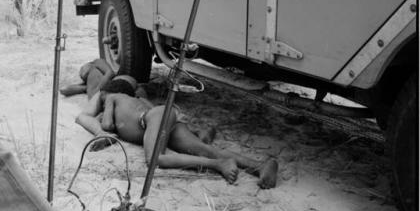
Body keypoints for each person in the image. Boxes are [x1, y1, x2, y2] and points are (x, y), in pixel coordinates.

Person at [75, 82, 278, 188]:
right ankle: (260, 165)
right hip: (164, 115)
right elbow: (160, 113)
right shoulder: (137, 100)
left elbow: (108, 125)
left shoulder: (111, 97)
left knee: (155, 159)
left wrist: (103, 114)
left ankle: (220, 165)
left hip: (151, 120)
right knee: (205, 149)